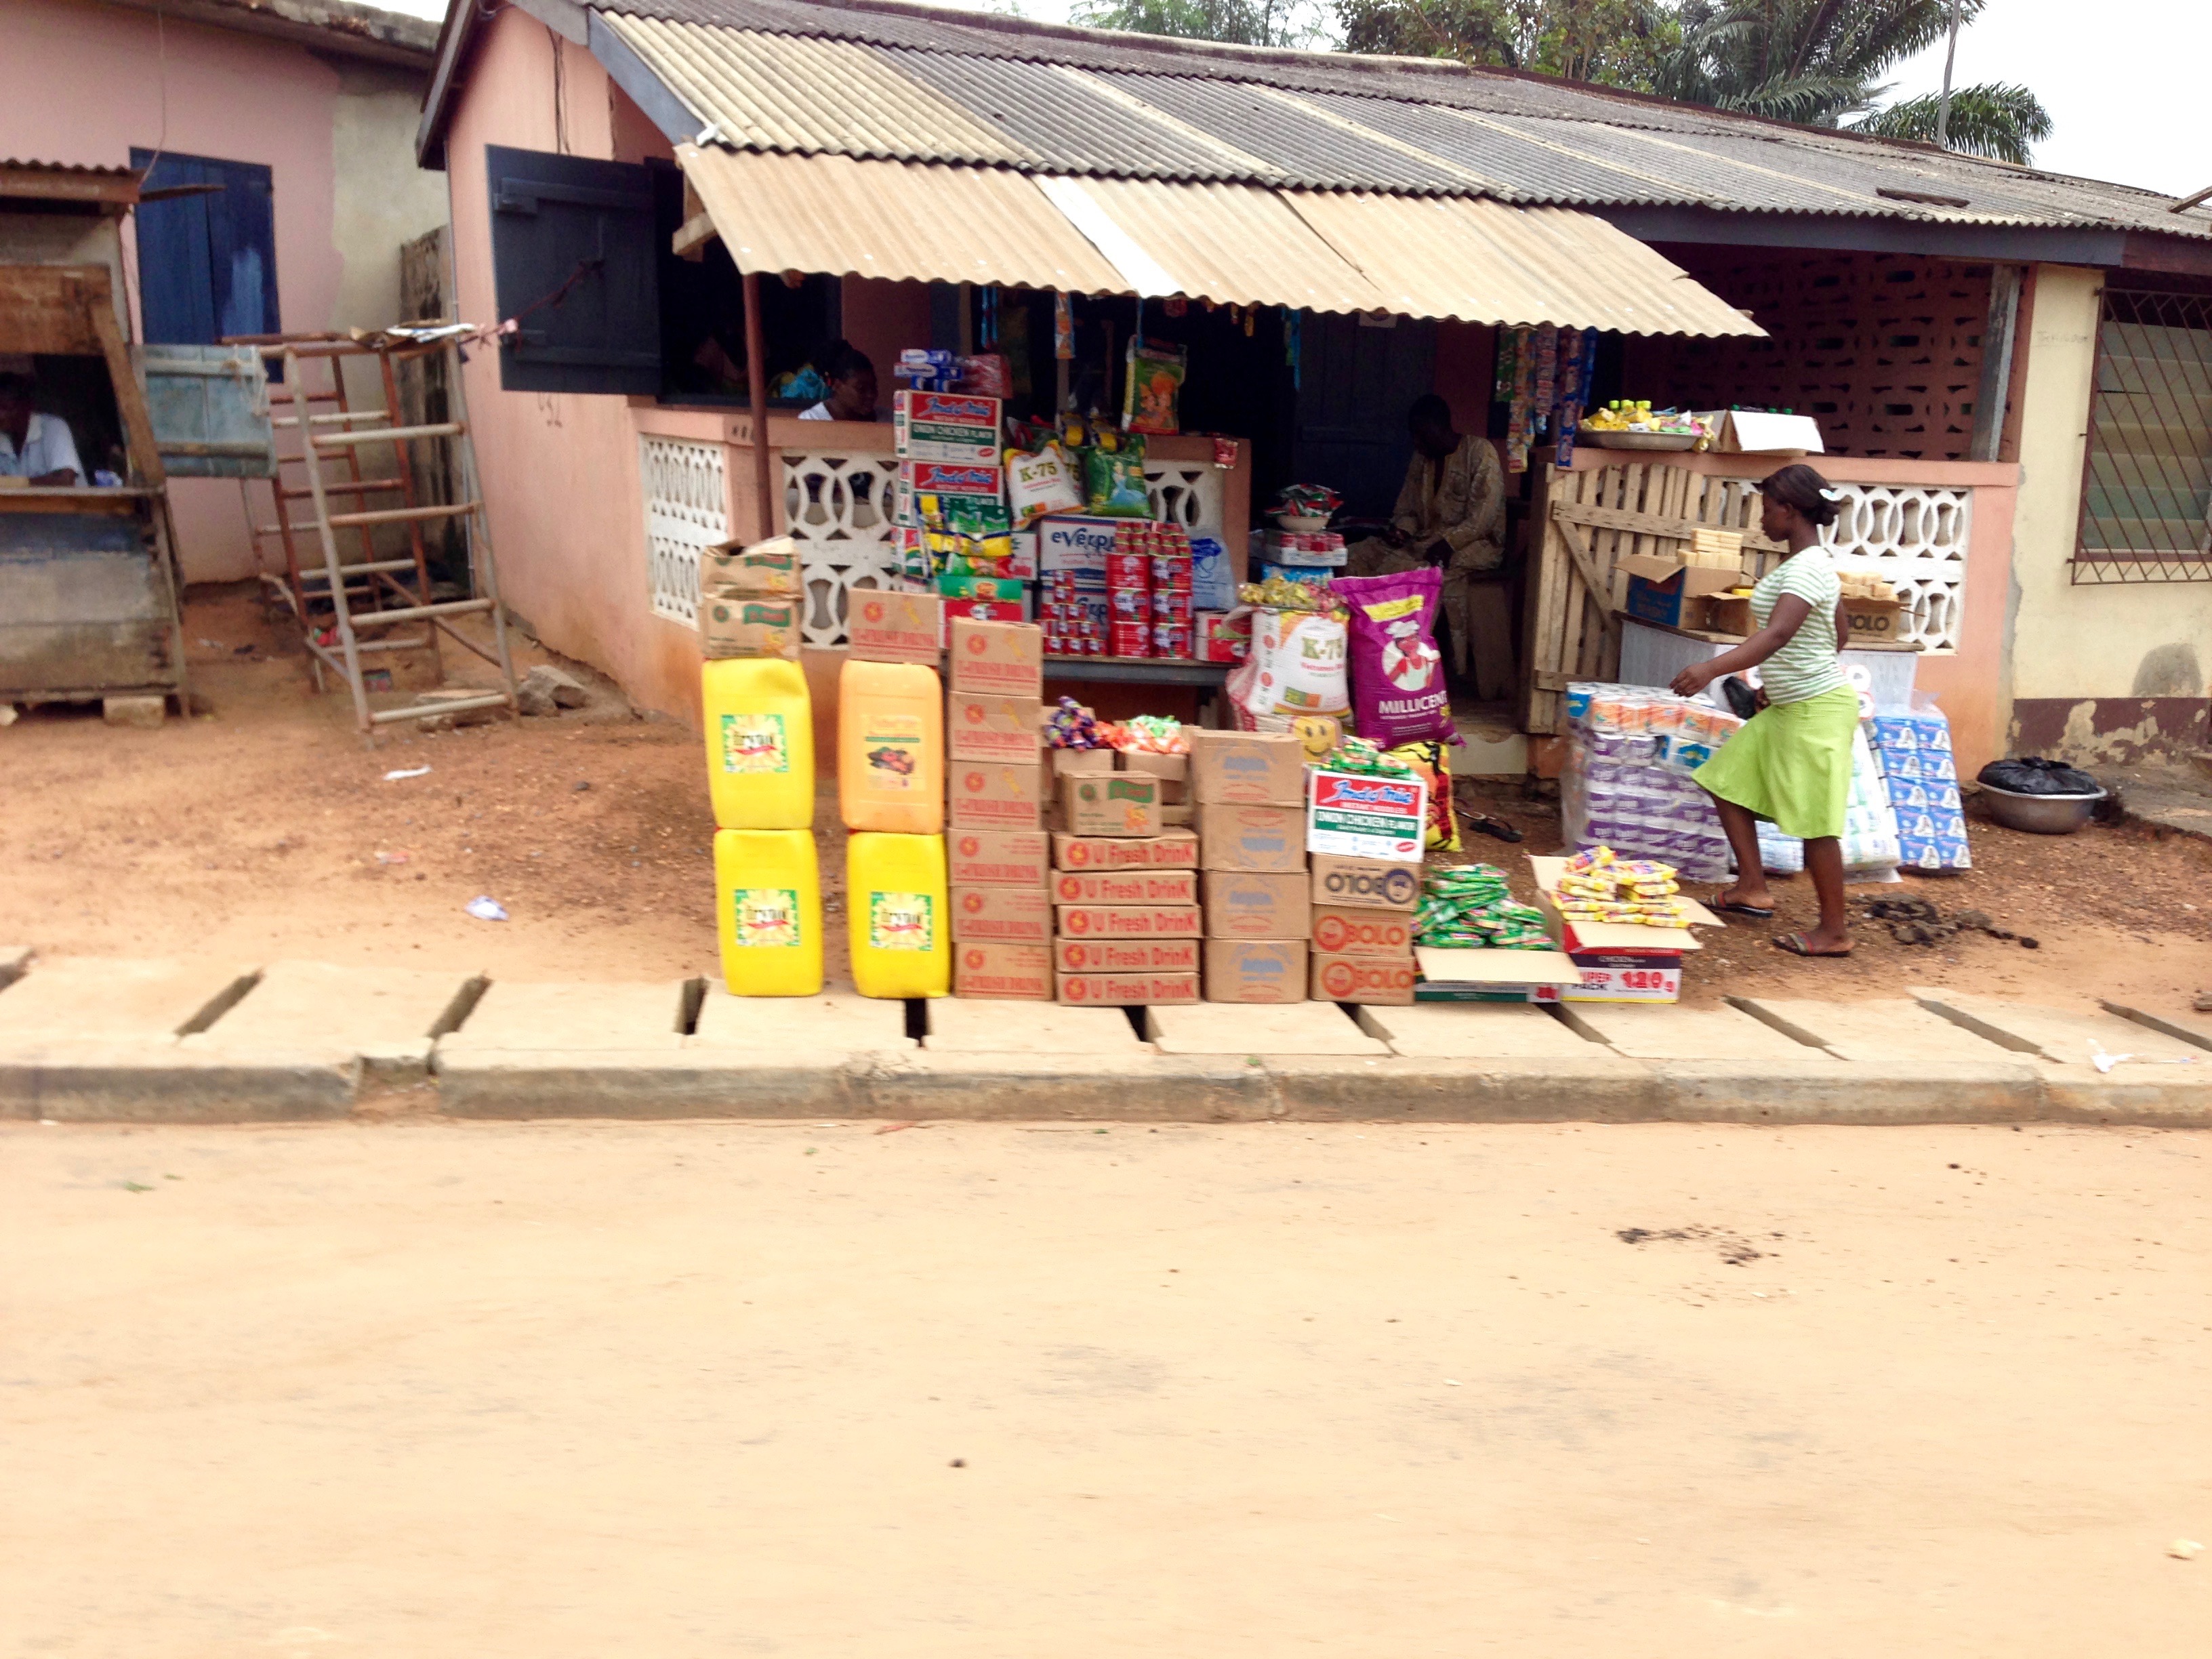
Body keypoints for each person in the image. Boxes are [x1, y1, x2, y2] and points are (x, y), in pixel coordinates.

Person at [1669, 464, 1858, 958]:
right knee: (1725, 780)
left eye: (1767, 508)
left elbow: (1777, 634)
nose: (1762, 519)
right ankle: (1751, 887)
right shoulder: (1815, 565)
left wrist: (1712, 670)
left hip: (1816, 709)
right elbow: (1838, 635)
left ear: (1790, 511)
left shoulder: (1808, 568)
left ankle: (1834, 932)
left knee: (1817, 826)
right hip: (1794, 704)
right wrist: (1781, 681)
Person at [1343, 394, 1507, 688]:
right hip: (1427, 541)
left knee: (1406, 573)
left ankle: (1405, 671)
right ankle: (1360, 655)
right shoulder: (1422, 458)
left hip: (1476, 545)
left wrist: (1449, 543)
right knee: (1357, 556)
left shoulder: (1480, 453)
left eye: (1421, 433)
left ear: (1439, 427)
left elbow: (1484, 517)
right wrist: (1402, 531)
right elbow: (1407, 509)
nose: (1416, 441)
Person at [0, 371, 84, 485]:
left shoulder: (54, 428)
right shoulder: (3, 437)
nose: (1, 415)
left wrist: (18, 483)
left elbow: (65, 480)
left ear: (27, 406)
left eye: (6, 408)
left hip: (69, 503)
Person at [798, 341, 877, 422]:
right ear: (837, 385)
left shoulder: (886, 420)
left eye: (874, 387)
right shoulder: (811, 420)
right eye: (861, 389)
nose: (871, 395)